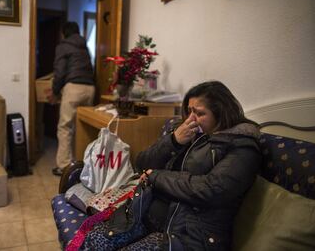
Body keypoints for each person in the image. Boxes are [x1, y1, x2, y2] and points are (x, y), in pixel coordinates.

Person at [81, 81, 262, 250]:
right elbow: (142, 164)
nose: (191, 119)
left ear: (222, 112)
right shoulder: (189, 132)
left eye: (199, 113)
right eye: (190, 111)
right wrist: (173, 141)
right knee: (94, 240)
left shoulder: (241, 145)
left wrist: (157, 177)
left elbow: (212, 189)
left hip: (189, 234)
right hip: (149, 214)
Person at [48, 22, 95, 176]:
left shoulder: (63, 46)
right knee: (84, 128)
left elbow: (60, 71)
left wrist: (55, 92)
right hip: (90, 88)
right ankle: (85, 165)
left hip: (73, 88)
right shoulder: (84, 46)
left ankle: (64, 167)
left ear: (64, 33)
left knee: (65, 127)